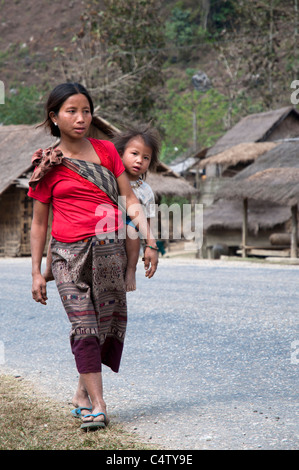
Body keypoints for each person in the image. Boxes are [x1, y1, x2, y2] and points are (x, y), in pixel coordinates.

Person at [28, 82, 158, 431]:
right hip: (67, 255)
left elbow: (130, 199)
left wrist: (150, 240)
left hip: (111, 251)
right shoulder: (47, 164)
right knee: (83, 326)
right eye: (71, 111)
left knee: (103, 327)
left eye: (86, 110)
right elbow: (39, 224)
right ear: (54, 117)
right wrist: (36, 272)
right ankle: (99, 404)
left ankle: (81, 396)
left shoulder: (106, 152)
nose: (81, 118)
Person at [112, 125, 160, 291]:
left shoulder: (145, 190)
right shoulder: (111, 179)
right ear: (120, 154)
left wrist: (149, 243)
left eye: (146, 157)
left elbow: (147, 220)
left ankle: (131, 270)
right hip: (109, 223)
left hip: (130, 228)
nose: (139, 160)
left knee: (131, 229)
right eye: (134, 154)